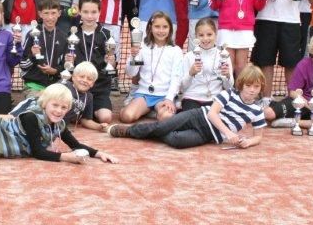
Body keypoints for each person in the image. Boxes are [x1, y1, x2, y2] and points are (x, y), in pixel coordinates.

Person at [108, 65, 268, 150]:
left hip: (207, 135)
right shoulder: (229, 93)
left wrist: (248, 142)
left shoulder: (257, 111)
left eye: (256, 86)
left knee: (177, 141)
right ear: (241, 84)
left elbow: (258, 137)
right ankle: (127, 131)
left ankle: (155, 131)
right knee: (162, 126)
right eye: (248, 85)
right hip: (197, 116)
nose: (252, 90)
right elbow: (212, 114)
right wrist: (228, 133)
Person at [120, 12, 183, 123]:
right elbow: (131, 73)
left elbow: (176, 77)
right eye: (157, 26)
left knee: (166, 118)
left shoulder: (176, 50)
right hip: (144, 94)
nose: (161, 31)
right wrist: (133, 57)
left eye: (165, 27)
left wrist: (169, 98)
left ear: (170, 29)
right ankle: (146, 109)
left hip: (164, 96)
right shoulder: (142, 47)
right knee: (126, 117)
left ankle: (155, 109)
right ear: (150, 27)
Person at [11, 61, 103, 131]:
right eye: (81, 76)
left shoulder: (89, 97)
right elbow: (43, 96)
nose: (85, 80)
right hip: (40, 120)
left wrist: (100, 126)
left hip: (57, 127)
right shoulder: (64, 85)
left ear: (93, 83)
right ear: (73, 77)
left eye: (89, 79)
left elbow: (85, 120)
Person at [71, 0, 115, 126]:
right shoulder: (72, 33)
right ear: (79, 11)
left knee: (106, 118)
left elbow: (112, 67)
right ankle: (83, 113)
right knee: (67, 113)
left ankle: (87, 112)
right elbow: (66, 65)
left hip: (98, 89)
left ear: (99, 12)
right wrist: (69, 61)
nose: (89, 16)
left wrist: (111, 62)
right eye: (85, 12)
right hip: (77, 88)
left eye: (93, 12)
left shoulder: (106, 35)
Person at [179, 17, 233, 111]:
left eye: (209, 34)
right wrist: (190, 74)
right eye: (201, 35)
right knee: (194, 117)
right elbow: (182, 88)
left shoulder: (224, 55)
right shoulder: (189, 56)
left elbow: (229, 87)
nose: (205, 38)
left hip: (215, 99)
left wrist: (227, 76)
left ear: (216, 34)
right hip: (192, 98)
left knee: (215, 117)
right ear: (196, 36)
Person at [20, 0, 67, 96]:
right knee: (40, 103)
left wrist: (55, 71)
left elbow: (65, 65)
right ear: (40, 14)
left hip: (55, 86)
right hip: (34, 85)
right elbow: (23, 65)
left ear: (59, 13)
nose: (50, 17)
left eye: (53, 13)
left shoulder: (64, 37)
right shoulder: (32, 34)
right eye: (46, 13)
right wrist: (33, 56)